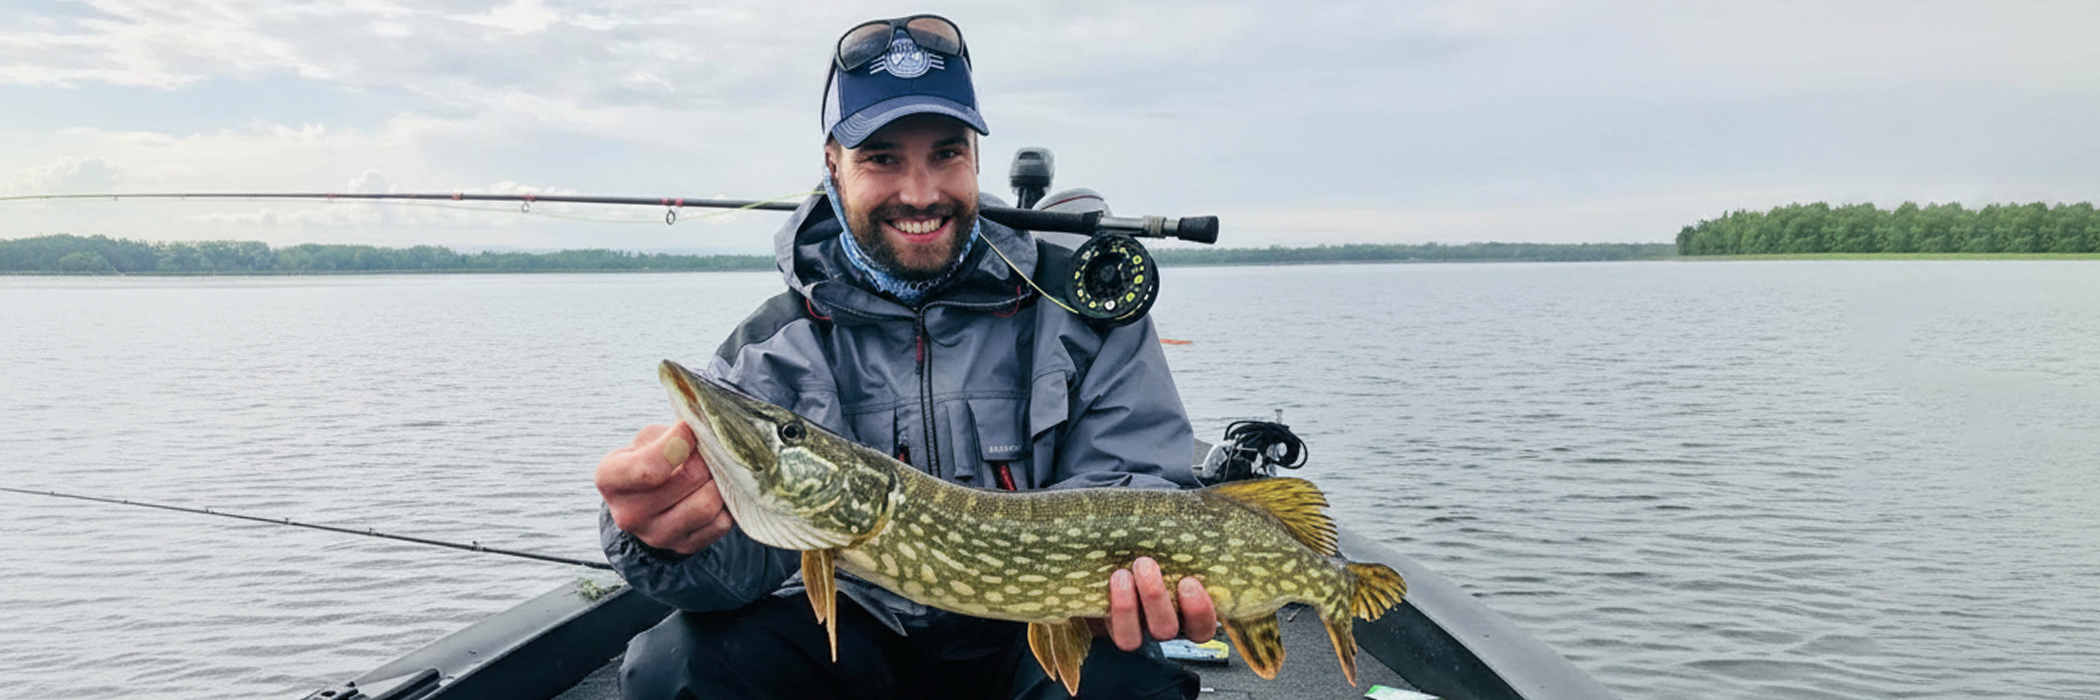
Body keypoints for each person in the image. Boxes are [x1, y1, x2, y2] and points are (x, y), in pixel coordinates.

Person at [595, 14, 1213, 699]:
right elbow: (726, 575)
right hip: (855, 637)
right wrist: (661, 537)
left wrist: (1127, 583)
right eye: (882, 158)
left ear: (975, 158)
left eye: (946, 153)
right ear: (833, 167)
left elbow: (1136, 488)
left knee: (1121, 686)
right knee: (676, 667)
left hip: (1034, 633)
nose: (920, 194)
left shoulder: (1081, 313)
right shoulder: (773, 348)